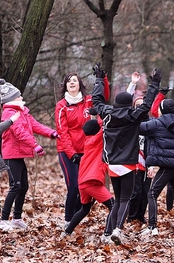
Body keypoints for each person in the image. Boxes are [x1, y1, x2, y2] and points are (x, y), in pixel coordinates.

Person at [92, 63, 160, 245]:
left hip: (112, 163)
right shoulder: (133, 116)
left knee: (117, 199)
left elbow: (97, 101)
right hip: (128, 163)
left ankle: (107, 233)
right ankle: (117, 229)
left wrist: (99, 79)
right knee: (125, 199)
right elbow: (146, 105)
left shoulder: (107, 114)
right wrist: (155, 84)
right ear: (129, 103)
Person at [0, 78, 59, 231]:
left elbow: (35, 125)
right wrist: (34, 145)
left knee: (23, 186)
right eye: (19, 96)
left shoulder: (22, 111)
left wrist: (51, 133)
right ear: (12, 99)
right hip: (11, 155)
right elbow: (19, 132)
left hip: (19, 155)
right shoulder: (10, 113)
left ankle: (16, 218)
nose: (22, 98)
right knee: (15, 186)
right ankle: (3, 220)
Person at [55, 72, 110, 229]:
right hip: (68, 152)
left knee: (84, 186)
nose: (72, 82)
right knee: (73, 186)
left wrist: (102, 79)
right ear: (65, 86)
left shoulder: (89, 101)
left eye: (74, 80)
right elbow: (62, 132)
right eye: (68, 81)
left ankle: (78, 217)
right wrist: (72, 155)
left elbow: (104, 96)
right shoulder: (61, 105)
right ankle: (68, 220)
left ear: (80, 84)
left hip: (88, 150)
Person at [139, 98, 174, 236]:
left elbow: (139, 128)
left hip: (168, 165)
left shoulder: (157, 123)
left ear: (163, 109)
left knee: (152, 193)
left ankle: (152, 226)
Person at [61, 118, 115, 244]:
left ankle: (67, 232)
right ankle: (107, 234)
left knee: (84, 209)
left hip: (83, 183)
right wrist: (101, 114)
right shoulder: (96, 142)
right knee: (114, 205)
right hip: (91, 182)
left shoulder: (88, 142)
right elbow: (104, 126)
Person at [150, 90, 174, 211]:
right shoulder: (164, 122)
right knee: (173, 191)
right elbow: (155, 112)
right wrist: (161, 95)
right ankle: (172, 212)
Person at [128, 96, 152, 224]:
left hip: (148, 163)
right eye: (137, 106)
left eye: (143, 105)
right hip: (134, 163)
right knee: (135, 192)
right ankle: (131, 216)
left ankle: (141, 216)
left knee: (145, 193)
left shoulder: (151, 125)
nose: (140, 108)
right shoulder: (131, 123)